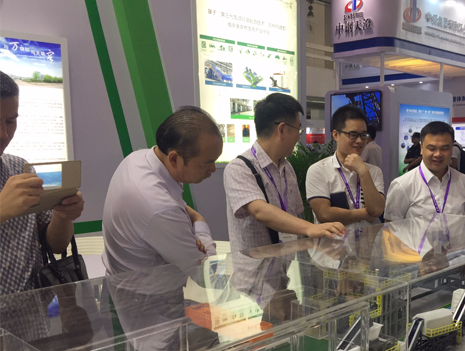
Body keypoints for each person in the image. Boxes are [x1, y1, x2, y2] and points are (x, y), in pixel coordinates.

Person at [102, 106, 220, 275]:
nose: (213, 170)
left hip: (125, 280)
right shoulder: (159, 207)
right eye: (206, 163)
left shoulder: (136, 158)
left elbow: (177, 208)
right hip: (148, 290)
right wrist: (200, 225)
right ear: (174, 158)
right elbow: (206, 272)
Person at [224, 93, 345, 252]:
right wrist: (310, 228)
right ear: (282, 129)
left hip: (286, 263)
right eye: (298, 130)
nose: (298, 137)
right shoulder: (239, 168)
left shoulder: (287, 168)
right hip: (254, 266)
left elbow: (294, 215)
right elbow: (259, 211)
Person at [0, 70, 84, 296]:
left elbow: (56, 245)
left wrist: (62, 215)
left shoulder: (19, 168)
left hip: (34, 308)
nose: (4, 134)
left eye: (11, 121)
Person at [306, 104, 385, 229]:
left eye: (363, 135)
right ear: (335, 135)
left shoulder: (373, 171)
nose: (359, 141)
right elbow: (324, 214)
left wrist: (363, 172)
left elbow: (376, 210)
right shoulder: (319, 170)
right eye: (353, 135)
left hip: (367, 241)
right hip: (333, 241)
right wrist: (365, 214)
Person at [385, 121, 465, 221]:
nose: (438, 154)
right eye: (432, 148)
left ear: (452, 149)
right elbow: (391, 227)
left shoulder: (464, 182)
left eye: (444, 148)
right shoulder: (402, 185)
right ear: (421, 148)